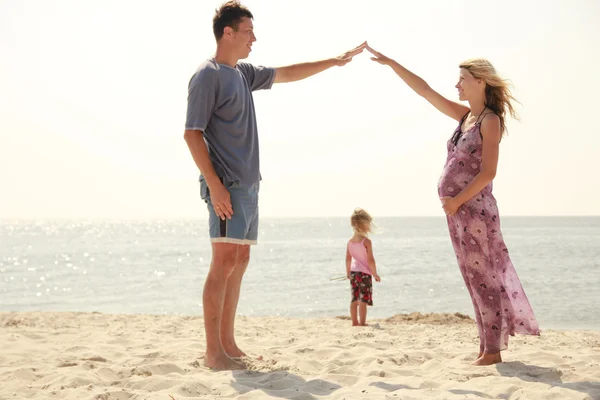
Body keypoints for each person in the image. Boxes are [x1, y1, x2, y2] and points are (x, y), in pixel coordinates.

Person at [183, 0, 366, 370]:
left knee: (240, 259)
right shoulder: (207, 75)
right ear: (228, 33)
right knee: (223, 262)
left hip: (250, 184)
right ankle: (213, 353)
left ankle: (229, 344)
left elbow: (286, 73)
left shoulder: (243, 73)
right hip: (227, 185)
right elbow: (191, 134)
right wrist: (216, 186)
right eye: (248, 31)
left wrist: (332, 61)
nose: (254, 38)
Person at [365, 44, 539, 365]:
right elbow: (426, 92)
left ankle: (493, 351)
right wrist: (392, 63)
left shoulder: (490, 121)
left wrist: (457, 199)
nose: (457, 85)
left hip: (474, 210)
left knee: (484, 276)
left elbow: (489, 172)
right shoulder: (466, 117)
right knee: (471, 277)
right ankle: (486, 345)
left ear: (480, 82)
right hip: (458, 212)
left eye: (462, 79)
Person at [346, 208, 381, 327]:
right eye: (368, 224)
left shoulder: (350, 242)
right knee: (363, 300)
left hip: (354, 273)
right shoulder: (366, 242)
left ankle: (354, 322)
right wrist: (375, 274)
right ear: (362, 225)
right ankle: (362, 322)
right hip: (364, 274)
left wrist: (348, 272)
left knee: (354, 298)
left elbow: (348, 259)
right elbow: (370, 260)